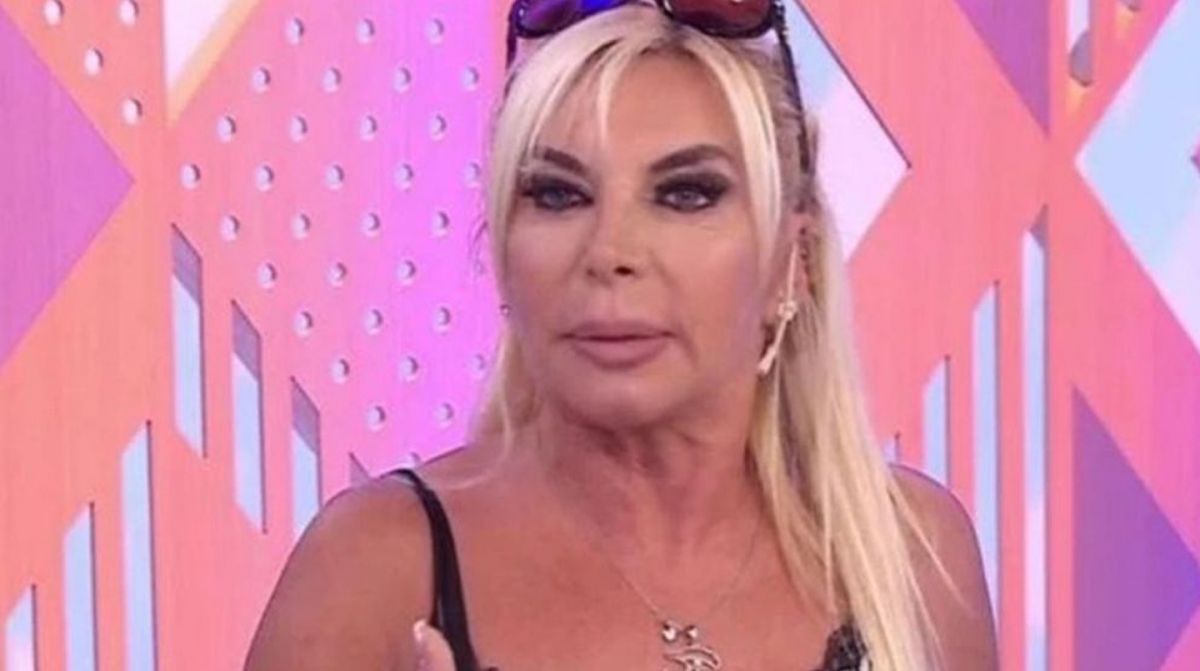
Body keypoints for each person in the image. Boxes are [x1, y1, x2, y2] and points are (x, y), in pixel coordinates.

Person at [244, 1, 998, 669]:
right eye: (558, 195)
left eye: (686, 194)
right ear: (502, 251)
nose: (610, 251)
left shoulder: (913, 559)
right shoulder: (374, 572)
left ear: (791, 263)